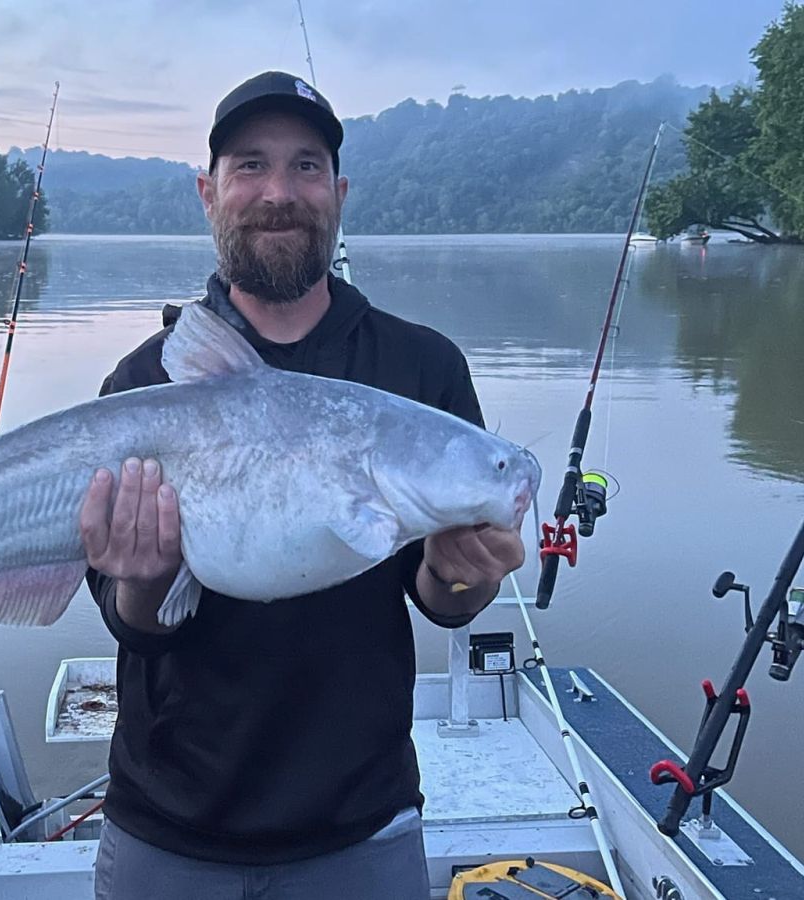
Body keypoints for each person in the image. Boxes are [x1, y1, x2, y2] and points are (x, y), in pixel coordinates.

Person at [78, 70, 525, 900]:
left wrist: (469, 567)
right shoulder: (144, 382)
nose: (278, 193)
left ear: (340, 191)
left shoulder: (420, 368)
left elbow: (444, 598)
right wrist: (143, 581)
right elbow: (131, 621)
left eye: (306, 166)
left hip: (361, 825)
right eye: (250, 166)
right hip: (169, 830)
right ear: (207, 192)